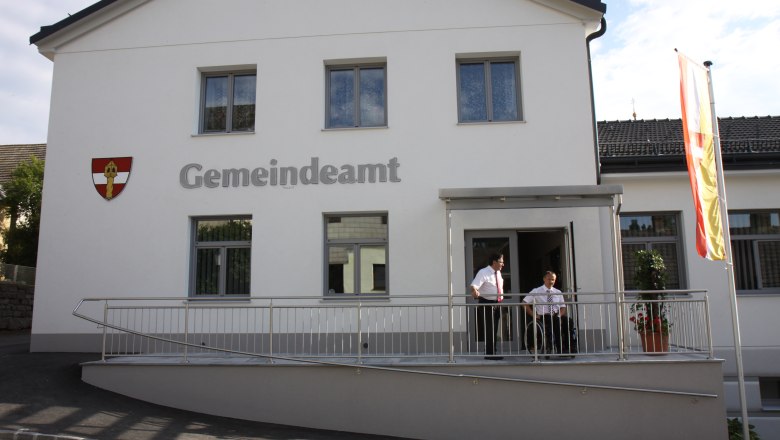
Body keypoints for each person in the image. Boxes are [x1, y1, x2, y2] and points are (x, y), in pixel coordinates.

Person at [522, 271, 576, 356]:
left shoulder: (558, 292)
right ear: (544, 279)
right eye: (549, 279)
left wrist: (559, 315)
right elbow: (524, 302)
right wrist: (534, 315)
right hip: (544, 315)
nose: (551, 281)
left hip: (556, 315)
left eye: (553, 280)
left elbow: (563, 307)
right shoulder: (536, 291)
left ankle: (569, 347)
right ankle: (555, 347)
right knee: (551, 321)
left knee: (568, 321)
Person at [470, 254, 505, 360]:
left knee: (494, 329)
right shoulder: (483, 272)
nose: (503, 264)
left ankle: (492, 351)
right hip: (487, 303)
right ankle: (490, 354)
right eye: (501, 262)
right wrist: (474, 291)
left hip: (497, 303)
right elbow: (474, 285)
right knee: (490, 329)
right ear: (494, 262)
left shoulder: (498, 273)